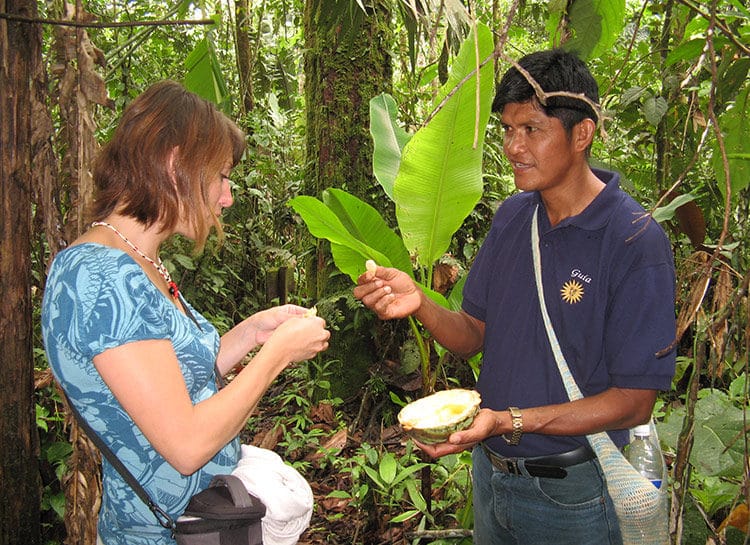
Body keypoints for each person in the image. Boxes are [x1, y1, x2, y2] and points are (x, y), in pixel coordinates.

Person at [354, 49, 676, 544]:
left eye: (531, 130)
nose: (512, 147)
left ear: (581, 133)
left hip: (576, 495)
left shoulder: (634, 239)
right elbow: (472, 335)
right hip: (492, 479)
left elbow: (634, 402)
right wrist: (418, 301)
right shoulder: (511, 220)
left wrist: (509, 421)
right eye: (507, 129)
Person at [41, 80, 331, 545]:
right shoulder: (100, 275)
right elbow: (186, 444)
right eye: (220, 176)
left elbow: (168, 386)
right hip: (156, 533)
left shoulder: (138, 260)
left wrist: (251, 334)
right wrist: (274, 356)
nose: (227, 196)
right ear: (176, 163)